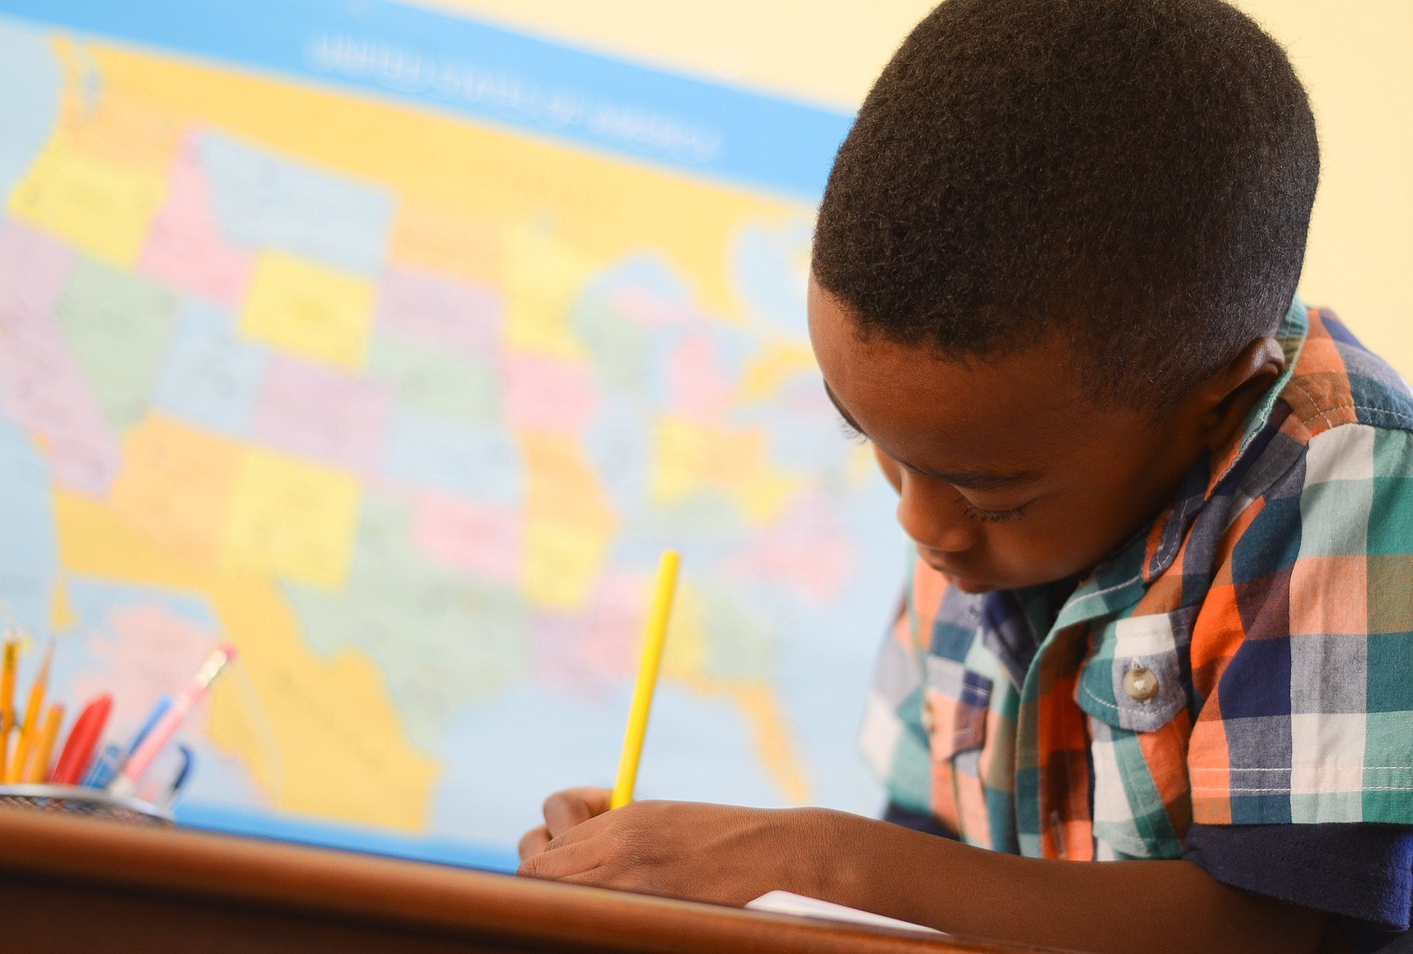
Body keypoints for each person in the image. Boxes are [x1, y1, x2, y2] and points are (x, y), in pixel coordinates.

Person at [517, 1, 1413, 951]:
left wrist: (808, 859)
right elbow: (929, 876)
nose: (922, 524)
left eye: (992, 496)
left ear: (1213, 396)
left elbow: (1269, 931)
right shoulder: (967, 499)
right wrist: (684, 872)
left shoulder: (1342, 476)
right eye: (871, 443)